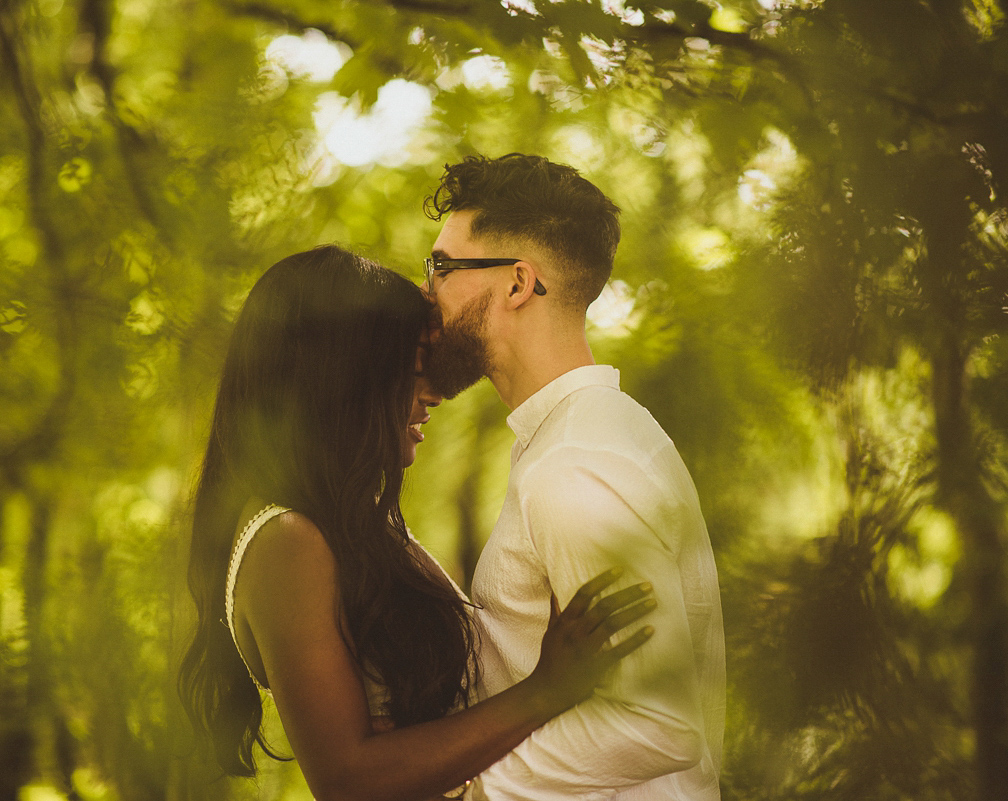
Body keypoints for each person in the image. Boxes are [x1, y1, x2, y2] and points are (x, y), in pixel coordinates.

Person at [178, 245, 657, 801]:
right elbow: (348, 779)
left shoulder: (350, 531)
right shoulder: (287, 541)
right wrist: (545, 691)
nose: (432, 394)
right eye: (410, 369)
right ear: (344, 381)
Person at [421, 153, 726, 800]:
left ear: (516, 283)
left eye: (442, 267)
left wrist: (474, 791)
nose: (428, 290)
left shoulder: (578, 461)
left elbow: (658, 721)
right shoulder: (572, 439)